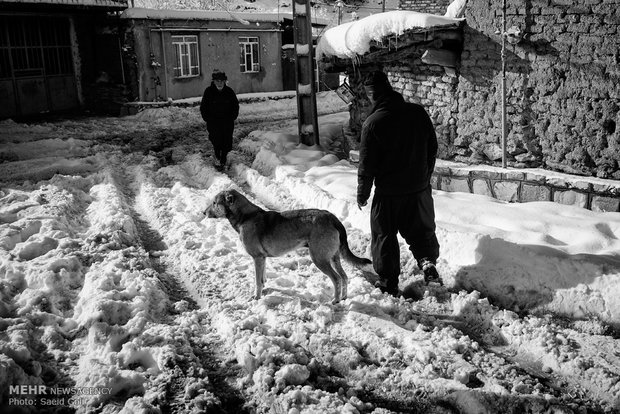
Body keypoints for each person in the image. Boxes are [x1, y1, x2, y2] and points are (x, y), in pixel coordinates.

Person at [356, 70, 442, 296]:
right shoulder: (418, 113)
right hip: (418, 189)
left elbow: (367, 165)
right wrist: (424, 176)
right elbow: (432, 148)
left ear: (372, 95)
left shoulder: (373, 123)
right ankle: (427, 263)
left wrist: (362, 193)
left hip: (389, 194)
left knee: (384, 235)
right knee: (421, 230)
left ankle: (388, 282)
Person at [200, 70, 239, 170]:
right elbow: (203, 107)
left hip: (227, 122)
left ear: (225, 81)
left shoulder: (229, 92)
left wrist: (232, 117)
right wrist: (207, 118)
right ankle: (217, 155)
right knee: (216, 140)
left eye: (222, 81)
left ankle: (223, 158)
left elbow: (235, 106)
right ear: (214, 81)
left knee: (226, 141)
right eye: (217, 81)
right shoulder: (208, 92)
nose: (220, 83)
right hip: (214, 122)